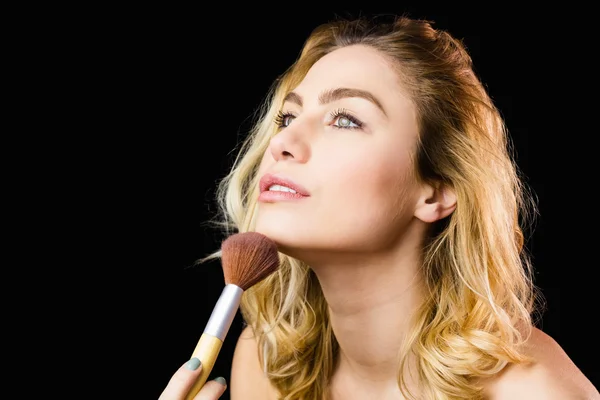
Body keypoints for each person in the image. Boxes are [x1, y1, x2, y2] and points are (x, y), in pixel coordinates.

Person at [159, 14, 599, 400]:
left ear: (437, 191)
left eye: (345, 119)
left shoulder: (536, 392)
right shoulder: (266, 365)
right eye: (288, 118)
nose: (281, 143)